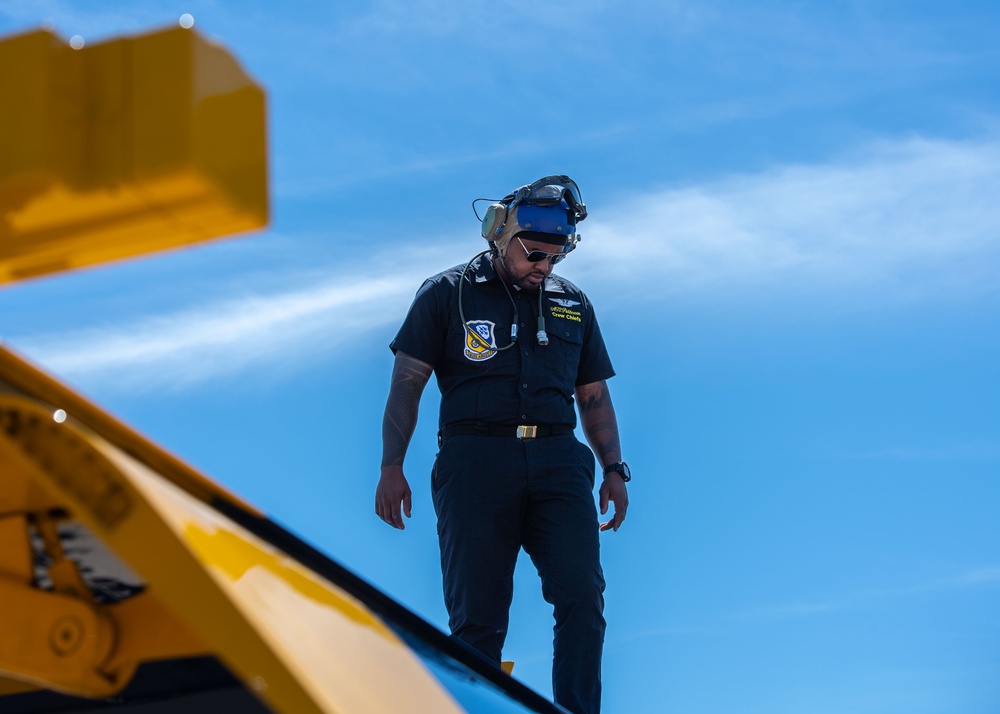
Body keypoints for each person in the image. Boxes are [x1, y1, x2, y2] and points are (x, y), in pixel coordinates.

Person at [375, 175, 629, 714]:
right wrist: (391, 465)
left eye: (555, 258)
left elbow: (594, 395)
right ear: (498, 231)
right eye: (534, 253)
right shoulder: (447, 293)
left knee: (583, 599)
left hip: (559, 462)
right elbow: (407, 383)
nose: (545, 266)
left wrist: (613, 468)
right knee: (478, 619)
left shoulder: (573, 304)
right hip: (475, 462)